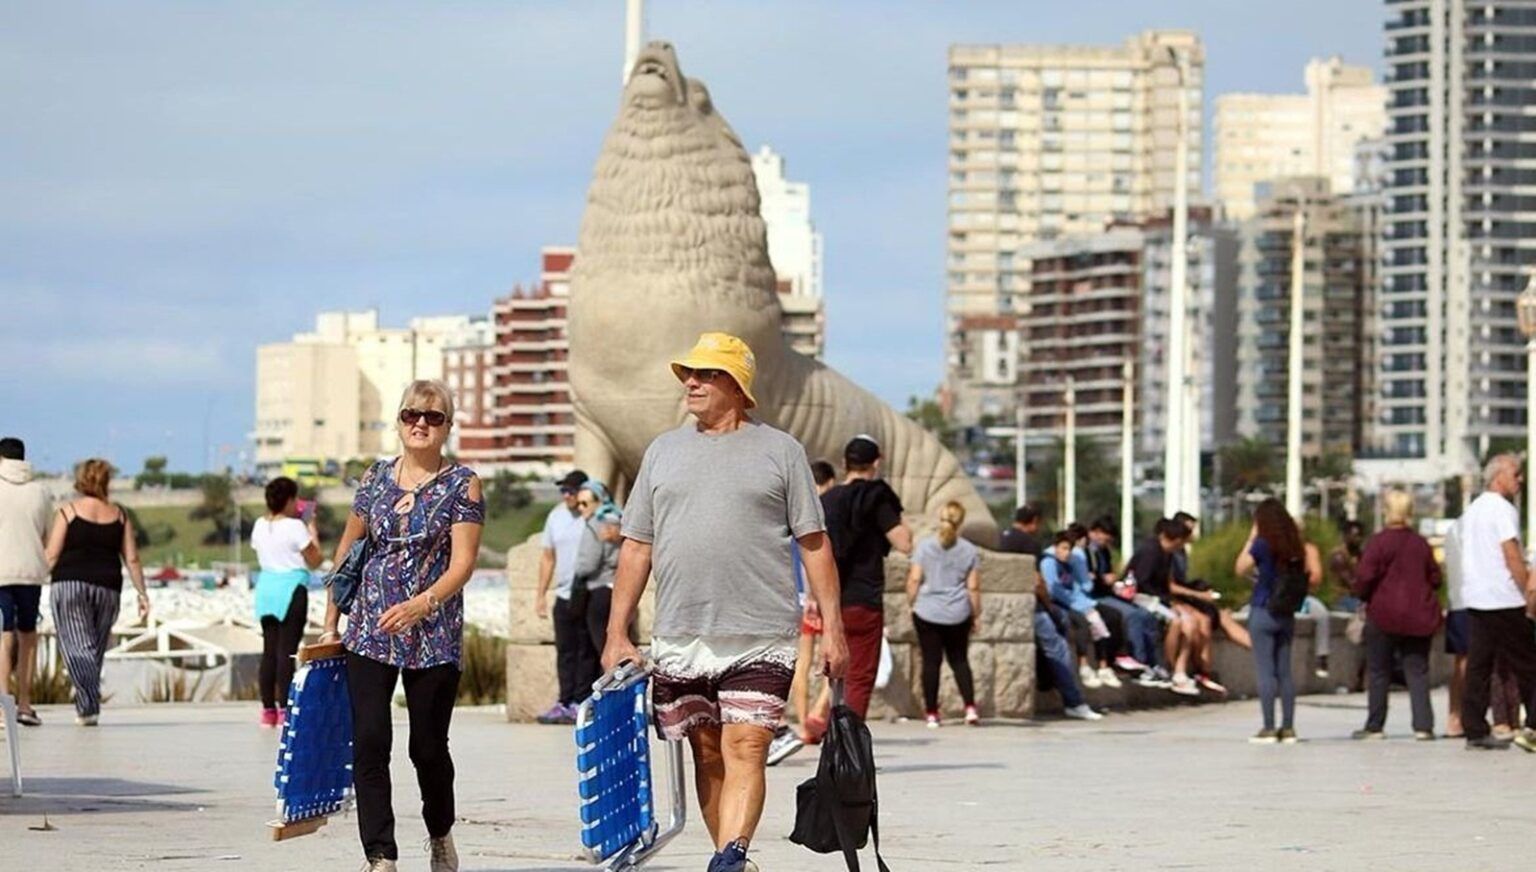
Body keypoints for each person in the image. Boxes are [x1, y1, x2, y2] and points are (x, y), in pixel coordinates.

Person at [601, 332, 848, 872]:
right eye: (688, 373)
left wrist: (834, 629)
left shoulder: (781, 451)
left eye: (705, 373)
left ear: (736, 384)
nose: (691, 382)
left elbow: (814, 543)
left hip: (762, 631)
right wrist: (616, 631)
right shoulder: (662, 451)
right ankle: (728, 860)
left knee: (746, 748)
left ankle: (731, 857)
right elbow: (636, 545)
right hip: (680, 632)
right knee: (707, 752)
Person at [322, 380, 484, 871]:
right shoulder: (373, 479)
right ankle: (381, 856)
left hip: (432, 635)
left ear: (447, 428)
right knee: (369, 739)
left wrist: (422, 604)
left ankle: (440, 832)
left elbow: (464, 563)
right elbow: (349, 550)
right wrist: (331, 621)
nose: (421, 423)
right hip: (369, 628)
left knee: (427, 748)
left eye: (433, 417)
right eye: (412, 414)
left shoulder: (463, 484)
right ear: (398, 421)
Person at [45, 458, 150, 726]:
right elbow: (133, 559)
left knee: (75, 647)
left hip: (69, 584)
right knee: (95, 648)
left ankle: (89, 698)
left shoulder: (67, 512)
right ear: (106, 482)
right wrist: (142, 593)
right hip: (107, 587)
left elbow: (52, 555)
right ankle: (87, 707)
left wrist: (33, 580)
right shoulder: (120, 515)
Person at [816, 435, 912, 722]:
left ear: (845, 463)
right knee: (860, 676)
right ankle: (849, 740)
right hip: (865, 598)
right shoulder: (877, 497)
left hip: (832, 597)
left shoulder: (827, 500)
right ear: (877, 462)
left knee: (835, 669)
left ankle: (828, 728)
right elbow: (904, 542)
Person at [1454, 453, 1536, 752]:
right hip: (1504, 597)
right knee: (1528, 662)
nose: (1521, 480)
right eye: (1516, 474)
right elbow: (1511, 553)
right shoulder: (1502, 509)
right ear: (1499, 476)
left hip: (1477, 597)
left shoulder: (1474, 509)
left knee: (1479, 665)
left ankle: (1474, 727)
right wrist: (1527, 588)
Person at [1350, 489, 1441, 740]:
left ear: (1386, 511)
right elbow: (1435, 577)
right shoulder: (1420, 543)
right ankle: (1423, 725)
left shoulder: (1378, 542)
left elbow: (1365, 577)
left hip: (1383, 615)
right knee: (1418, 670)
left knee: (1379, 671)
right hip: (1418, 616)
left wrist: (1362, 594)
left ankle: (1375, 725)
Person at [996, 505, 1101, 720]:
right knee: (1058, 648)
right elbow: (1038, 581)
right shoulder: (1029, 543)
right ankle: (1074, 702)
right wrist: (1049, 605)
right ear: (1033, 521)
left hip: (1004, 608)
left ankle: (1047, 679)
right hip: (1032, 606)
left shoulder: (1001, 539)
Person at [768, 460, 839, 766]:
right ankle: (818, 713)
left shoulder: (785, 507)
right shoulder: (816, 510)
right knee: (832, 657)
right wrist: (815, 595)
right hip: (815, 596)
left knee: (802, 659)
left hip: (792, 595)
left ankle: (799, 721)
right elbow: (816, 553)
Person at [1234, 498, 1321, 744]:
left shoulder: (1262, 545)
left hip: (1263, 610)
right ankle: (1289, 727)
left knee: (1265, 672)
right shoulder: (1296, 548)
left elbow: (1240, 568)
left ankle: (1269, 727)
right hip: (1286, 612)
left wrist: (1251, 537)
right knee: (1284, 672)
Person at [250, 476, 322, 727]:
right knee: (286, 651)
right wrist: (311, 525)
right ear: (290, 500)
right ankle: (285, 709)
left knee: (269, 650)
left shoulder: (259, 524)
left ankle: (268, 709)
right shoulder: (295, 527)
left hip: (266, 588)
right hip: (291, 587)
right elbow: (315, 559)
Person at [906, 501, 982, 727]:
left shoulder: (924, 547)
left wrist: (911, 603)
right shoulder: (969, 550)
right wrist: (976, 614)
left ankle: (931, 713)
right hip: (958, 612)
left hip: (927, 610)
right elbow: (974, 587)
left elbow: (914, 579)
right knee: (959, 660)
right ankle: (970, 708)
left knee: (931, 662)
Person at [0, 437, 52, 727]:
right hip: (31, 572)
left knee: (3, 635)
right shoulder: (41, 491)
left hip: (0, 572)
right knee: (27, 636)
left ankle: (1, 704)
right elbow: (48, 535)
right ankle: (24, 704)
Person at [535, 468, 592, 724]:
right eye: (563, 490)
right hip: (564, 594)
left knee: (586, 650)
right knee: (565, 650)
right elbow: (548, 557)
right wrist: (540, 594)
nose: (566, 495)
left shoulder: (593, 516)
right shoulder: (555, 518)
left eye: (571, 490)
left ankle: (582, 700)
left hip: (590, 593)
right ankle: (564, 700)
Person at [1040, 527, 1120, 690]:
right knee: (1081, 622)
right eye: (1063, 548)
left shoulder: (1069, 563)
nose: (1066, 553)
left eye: (1069, 549)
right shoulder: (1049, 562)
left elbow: (1077, 585)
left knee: (1104, 619)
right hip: (1059, 603)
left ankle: (1104, 665)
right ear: (1055, 547)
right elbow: (1053, 589)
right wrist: (1077, 603)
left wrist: (1084, 601)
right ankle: (1083, 665)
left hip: (1075, 600)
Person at [1122, 519, 1190, 688]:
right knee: (1175, 621)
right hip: (1140, 596)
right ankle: (1167, 664)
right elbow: (1142, 582)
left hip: (1155, 597)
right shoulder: (1151, 551)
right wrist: (1166, 601)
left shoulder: (1166, 554)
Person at [1085, 516, 1157, 674]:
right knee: (1131, 616)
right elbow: (1087, 579)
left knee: (1145, 615)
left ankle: (1153, 662)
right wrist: (1101, 579)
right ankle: (1139, 661)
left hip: (1107, 592)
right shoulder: (1084, 551)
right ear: (1095, 533)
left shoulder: (1104, 552)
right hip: (1094, 596)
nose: (1106, 540)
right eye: (1105, 535)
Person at [572, 480, 623, 674]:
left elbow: (589, 563)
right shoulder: (618, 519)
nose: (581, 508)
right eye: (578, 504)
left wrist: (577, 570)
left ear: (599, 502)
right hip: (617, 588)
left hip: (599, 589)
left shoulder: (596, 524)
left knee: (602, 649)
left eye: (585, 503)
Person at [1329, 520, 1366, 612]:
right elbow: (1351, 583)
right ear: (1346, 536)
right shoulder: (1339, 556)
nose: (1358, 539)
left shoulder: (1360, 555)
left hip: (1355, 598)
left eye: (1360, 535)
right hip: (1342, 597)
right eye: (1355, 535)